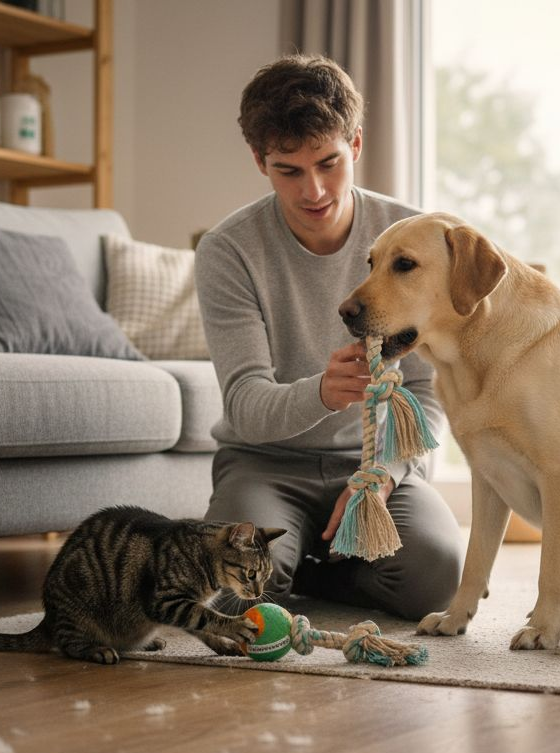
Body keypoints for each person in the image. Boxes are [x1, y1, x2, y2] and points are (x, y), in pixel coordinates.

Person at [195, 54, 462, 620]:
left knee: (435, 579)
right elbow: (244, 406)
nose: (313, 190)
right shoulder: (228, 251)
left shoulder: (413, 239)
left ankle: (313, 574)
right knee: (233, 594)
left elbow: (429, 396)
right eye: (288, 170)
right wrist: (324, 393)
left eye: (328, 162)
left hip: (372, 464)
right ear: (258, 161)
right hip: (264, 463)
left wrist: (382, 476)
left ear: (356, 145)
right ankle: (316, 567)